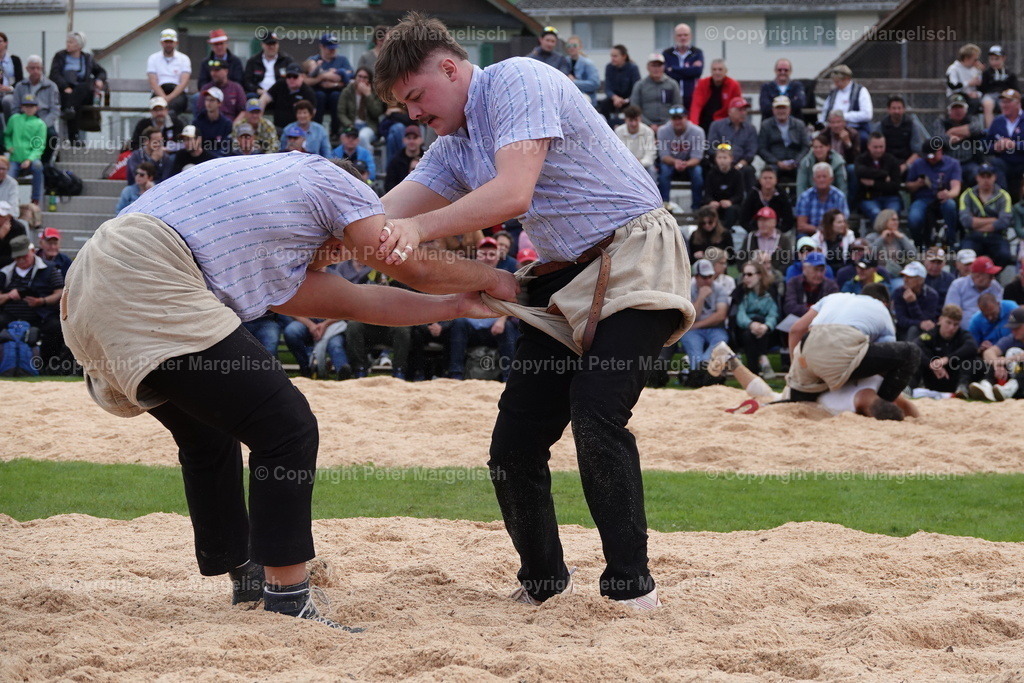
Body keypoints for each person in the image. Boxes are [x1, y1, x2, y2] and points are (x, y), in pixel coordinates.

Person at [66, 153, 505, 628]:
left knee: (208, 435)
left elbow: (359, 301)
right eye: (345, 246)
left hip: (89, 284)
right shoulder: (337, 181)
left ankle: (247, 576)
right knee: (287, 428)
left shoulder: (271, 221)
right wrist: (494, 280)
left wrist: (456, 305)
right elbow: (406, 266)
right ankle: (288, 596)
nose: (341, 256)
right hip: (148, 269)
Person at [373, 12, 695, 609]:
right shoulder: (451, 147)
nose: (414, 115)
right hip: (560, 276)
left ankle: (631, 590)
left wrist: (414, 228)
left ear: (450, 66)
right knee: (514, 444)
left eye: (417, 96)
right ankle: (543, 584)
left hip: (635, 253)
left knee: (597, 412)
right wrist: (312, 237)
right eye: (405, 107)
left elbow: (512, 192)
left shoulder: (516, 78)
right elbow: (377, 217)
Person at [786, 287, 921, 415]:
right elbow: (889, 361)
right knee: (911, 352)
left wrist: (795, 371)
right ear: (885, 303)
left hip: (808, 349)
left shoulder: (832, 298)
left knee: (798, 401)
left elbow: (796, 330)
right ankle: (885, 401)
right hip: (844, 349)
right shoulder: (881, 309)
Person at [709, 342, 918, 419]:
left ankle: (729, 357)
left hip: (817, 356)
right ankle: (730, 359)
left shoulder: (878, 381)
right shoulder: (844, 408)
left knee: (777, 395)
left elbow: (907, 405)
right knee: (771, 397)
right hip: (807, 387)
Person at [0, 234, 65, 373]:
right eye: (18, 258)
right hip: (10, 315)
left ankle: (48, 366)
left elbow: (60, 292)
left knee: (55, 327)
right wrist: (8, 296)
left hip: (40, 315)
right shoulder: (5, 272)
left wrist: (42, 301)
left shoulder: (48, 268)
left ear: (31, 251)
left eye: (24, 256)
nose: (22, 260)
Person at [49, 32, 106, 144]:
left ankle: (70, 116)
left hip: (82, 92)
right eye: (67, 42)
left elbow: (101, 72)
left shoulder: (87, 58)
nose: (68, 44)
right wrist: (65, 86)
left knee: (82, 89)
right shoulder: (60, 56)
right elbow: (54, 74)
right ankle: (74, 138)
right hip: (66, 91)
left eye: (71, 42)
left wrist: (99, 80)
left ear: (79, 46)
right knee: (74, 104)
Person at [679, 258, 728, 386]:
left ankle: (700, 374)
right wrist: (701, 297)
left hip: (713, 328)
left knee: (719, 343)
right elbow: (690, 315)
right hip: (692, 331)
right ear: (696, 277)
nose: (708, 280)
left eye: (710, 276)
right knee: (694, 351)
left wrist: (696, 325)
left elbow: (721, 315)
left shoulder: (719, 288)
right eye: (704, 277)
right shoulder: (686, 288)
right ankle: (703, 377)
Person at [912, 303, 976, 397]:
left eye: (956, 324)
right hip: (934, 376)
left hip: (954, 377)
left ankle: (963, 387)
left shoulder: (962, 335)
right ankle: (908, 387)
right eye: (948, 322)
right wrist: (931, 364)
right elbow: (915, 346)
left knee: (969, 357)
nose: (951, 328)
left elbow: (972, 346)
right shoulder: (931, 335)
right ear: (940, 319)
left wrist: (947, 359)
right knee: (916, 356)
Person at [958, 163, 1013, 266]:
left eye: (989, 176)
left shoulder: (1004, 196)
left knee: (1004, 255)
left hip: (997, 236)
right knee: (964, 256)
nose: (986, 180)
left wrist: (976, 223)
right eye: (982, 176)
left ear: (995, 177)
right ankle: (971, 279)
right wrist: (993, 219)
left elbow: (1004, 221)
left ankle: (991, 278)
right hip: (973, 236)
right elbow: (966, 221)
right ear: (977, 178)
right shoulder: (967, 195)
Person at [969, 305, 1024, 400]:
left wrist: (1005, 361)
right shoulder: (1012, 338)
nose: (1013, 331)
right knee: (996, 359)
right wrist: (997, 364)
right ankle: (987, 385)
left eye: (1017, 327)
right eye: (1012, 327)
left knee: (1012, 352)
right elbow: (988, 352)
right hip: (1014, 376)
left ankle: (1009, 388)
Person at [10, 56, 58, 164]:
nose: (35, 71)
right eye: (32, 68)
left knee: (52, 136)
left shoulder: (51, 86)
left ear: (42, 68)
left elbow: (55, 110)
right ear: (27, 69)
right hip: (24, 118)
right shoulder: (20, 86)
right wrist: (20, 122)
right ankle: (20, 161)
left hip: (44, 119)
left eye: (38, 68)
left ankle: (44, 163)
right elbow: (15, 108)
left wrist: (42, 125)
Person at [734, 259, 778, 377]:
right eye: (744, 274)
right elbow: (740, 314)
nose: (745, 278)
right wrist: (751, 324)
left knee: (761, 321)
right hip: (743, 330)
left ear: (759, 275)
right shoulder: (741, 292)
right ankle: (763, 358)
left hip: (768, 333)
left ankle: (753, 373)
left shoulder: (770, 291)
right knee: (750, 333)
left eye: (749, 274)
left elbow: (773, 314)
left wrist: (766, 326)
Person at [656, 105, 704, 212]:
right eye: (674, 118)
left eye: (680, 118)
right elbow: (663, 156)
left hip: (690, 164)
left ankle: (696, 207)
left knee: (698, 173)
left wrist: (686, 164)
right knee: (664, 172)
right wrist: (675, 162)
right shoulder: (662, 131)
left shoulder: (697, 131)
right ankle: (664, 206)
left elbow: (697, 157)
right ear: (671, 119)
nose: (677, 121)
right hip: (670, 163)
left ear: (686, 118)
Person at [304, 33, 353, 137]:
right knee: (319, 96)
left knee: (335, 96)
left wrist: (334, 83)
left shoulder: (342, 60)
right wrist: (324, 76)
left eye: (334, 48)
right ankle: (317, 131)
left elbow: (349, 75)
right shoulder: (313, 60)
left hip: (336, 92)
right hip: (318, 94)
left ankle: (335, 131)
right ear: (321, 46)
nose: (333, 50)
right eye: (329, 48)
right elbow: (305, 79)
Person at [707, 98, 757, 189]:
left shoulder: (751, 129)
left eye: (744, 110)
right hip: (721, 163)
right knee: (709, 170)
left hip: (741, 165)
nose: (743, 113)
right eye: (740, 110)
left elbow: (751, 151)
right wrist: (724, 161)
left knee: (749, 171)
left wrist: (740, 165)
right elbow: (712, 147)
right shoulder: (716, 126)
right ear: (730, 111)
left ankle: (750, 201)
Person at [4, 94, 45, 205]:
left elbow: (39, 146)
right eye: (26, 106)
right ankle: (11, 200)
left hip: (31, 158)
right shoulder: (14, 119)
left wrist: (29, 159)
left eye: (32, 106)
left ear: (36, 108)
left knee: (38, 166)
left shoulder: (40, 124)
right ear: (22, 107)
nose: (29, 108)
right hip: (15, 158)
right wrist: (8, 146)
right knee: (8, 176)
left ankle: (35, 199)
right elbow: (7, 135)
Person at [757, 95, 808, 184]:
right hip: (774, 163)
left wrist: (797, 161)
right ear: (773, 110)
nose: (781, 111)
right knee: (768, 175)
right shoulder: (766, 125)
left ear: (789, 109)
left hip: (796, 162)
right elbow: (761, 149)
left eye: (784, 108)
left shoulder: (799, 124)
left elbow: (806, 146)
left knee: (805, 171)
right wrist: (777, 162)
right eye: (778, 108)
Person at [854, 132, 903, 224]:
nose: (879, 150)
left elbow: (895, 185)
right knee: (876, 214)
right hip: (869, 198)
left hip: (891, 197)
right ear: (868, 146)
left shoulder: (892, 160)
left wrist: (874, 183)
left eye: (881, 147)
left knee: (891, 216)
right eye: (875, 147)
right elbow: (860, 172)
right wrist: (883, 175)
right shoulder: (861, 159)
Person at [819, 64, 873, 144]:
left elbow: (867, 114)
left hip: (855, 127)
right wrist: (822, 123)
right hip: (833, 128)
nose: (836, 84)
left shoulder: (861, 91)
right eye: (834, 81)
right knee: (819, 139)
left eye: (838, 81)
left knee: (863, 139)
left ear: (847, 79)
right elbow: (825, 111)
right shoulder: (834, 92)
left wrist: (842, 117)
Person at [873, 95, 928, 173]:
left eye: (899, 108)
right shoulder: (880, 126)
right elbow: (876, 150)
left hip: (907, 163)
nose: (896, 111)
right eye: (894, 108)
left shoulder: (912, 126)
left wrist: (905, 166)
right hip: (886, 163)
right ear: (888, 110)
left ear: (904, 109)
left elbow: (917, 152)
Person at [987, 88, 1024, 202]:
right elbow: (986, 146)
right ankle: (1003, 203)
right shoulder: (998, 121)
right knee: (995, 164)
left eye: (1008, 102)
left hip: (1022, 161)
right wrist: (996, 147)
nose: (1004, 105)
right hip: (1004, 162)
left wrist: (1014, 145)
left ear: (1018, 103)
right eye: (1003, 102)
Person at [336, 67, 385, 150]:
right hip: (351, 125)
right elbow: (341, 112)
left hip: (368, 126)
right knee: (346, 138)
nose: (362, 79)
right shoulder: (347, 91)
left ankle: (366, 161)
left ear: (369, 80)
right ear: (355, 77)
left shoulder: (374, 92)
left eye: (365, 77)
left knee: (362, 137)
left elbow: (377, 112)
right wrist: (349, 124)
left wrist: (368, 95)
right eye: (359, 76)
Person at [795, 162, 848, 237]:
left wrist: (828, 232)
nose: (821, 180)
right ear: (814, 179)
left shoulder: (839, 196)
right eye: (818, 177)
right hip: (811, 235)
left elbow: (843, 223)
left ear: (831, 179)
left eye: (824, 176)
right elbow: (801, 226)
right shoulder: (805, 197)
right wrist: (820, 230)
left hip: (834, 234)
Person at [629, 54, 680, 131]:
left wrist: (666, 124)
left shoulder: (672, 84)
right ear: (648, 67)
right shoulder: (640, 85)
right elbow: (635, 108)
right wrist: (649, 124)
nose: (656, 69)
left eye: (659, 65)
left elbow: (677, 106)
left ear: (664, 67)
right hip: (644, 127)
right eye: (653, 65)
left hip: (669, 127)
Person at [688, 59, 741, 133]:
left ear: (726, 71)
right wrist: (694, 126)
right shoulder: (702, 83)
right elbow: (696, 105)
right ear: (711, 71)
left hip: (724, 123)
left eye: (720, 69)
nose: (717, 72)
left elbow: (737, 107)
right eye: (714, 70)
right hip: (704, 121)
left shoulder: (733, 85)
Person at [945, 255, 1004, 321]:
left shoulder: (995, 285)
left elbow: (1000, 310)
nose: (992, 278)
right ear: (978, 277)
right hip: (964, 330)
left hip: (991, 327)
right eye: (990, 275)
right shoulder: (958, 285)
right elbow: (950, 314)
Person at [738, 166, 794, 235]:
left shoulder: (782, 195)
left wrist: (778, 232)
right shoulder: (753, 194)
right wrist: (754, 231)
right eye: (765, 178)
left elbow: (789, 219)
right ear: (759, 180)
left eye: (770, 178)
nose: (768, 180)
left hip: (777, 232)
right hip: (756, 231)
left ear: (776, 180)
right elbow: (743, 218)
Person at [892, 261, 940, 340]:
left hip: (924, 333)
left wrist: (912, 304)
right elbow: (901, 320)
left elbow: (927, 321)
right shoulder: (898, 292)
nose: (905, 280)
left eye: (910, 277)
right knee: (913, 329)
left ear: (921, 280)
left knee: (915, 330)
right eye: (904, 276)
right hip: (902, 332)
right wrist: (919, 323)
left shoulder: (931, 295)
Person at [146, 29, 190, 116]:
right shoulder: (153, 58)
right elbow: (153, 82)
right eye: (166, 42)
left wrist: (169, 98)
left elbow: (183, 82)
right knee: (157, 107)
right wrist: (163, 97)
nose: (168, 44)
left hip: (177, 93)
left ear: (176, 43)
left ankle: (170, 128)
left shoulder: (184, 59)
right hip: (159, 91)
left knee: (172, 110)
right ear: (161, 43)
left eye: (171, 42)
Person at [783, 251, 838, 318]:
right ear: (805, 269)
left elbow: (832, 309)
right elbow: (790, 307)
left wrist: (809, 309)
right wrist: (815, 310)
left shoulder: (831, 286)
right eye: (815, 270)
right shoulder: (794, 283)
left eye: (821, 270)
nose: (819, 274)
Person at [662, 23, 703, 111]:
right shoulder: (667, 53)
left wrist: (674, 68)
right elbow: (666, 74)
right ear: (675, 37)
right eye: (679, 35)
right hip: (672, 96)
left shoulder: (697, 53)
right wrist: (688, 71)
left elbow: (697, 72)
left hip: (691, 96)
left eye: (685, 35)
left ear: (690, 36)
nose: (683, 38)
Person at [702, 144, 743, 231]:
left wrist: (730, 201)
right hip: (716, 204)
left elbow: (739, 195)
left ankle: (725, 232)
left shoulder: (737, 174)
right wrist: (711, 201)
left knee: (732, 210)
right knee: (707, 209)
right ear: (716, 159)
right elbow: (707, 193)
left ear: (731, 158)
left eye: (725, 158)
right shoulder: (711, 174)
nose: (722, 160)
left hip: (731, 205)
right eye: (719, 158)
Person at [263, 64, 316, 131]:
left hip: (298, 131)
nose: (291, 79)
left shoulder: (308, 92)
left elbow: (312, 114)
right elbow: (263, 99)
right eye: (288, 76)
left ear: (302, 77)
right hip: (278, 129)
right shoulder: (279, 85)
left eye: (295, 76)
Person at [243, 33, 294, 99]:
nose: (272, 47)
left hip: (280, 93)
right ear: (262, 45)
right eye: (269, 44)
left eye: (274, 44)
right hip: (258, 93)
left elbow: (292, 79)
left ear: (278, 45)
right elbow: (247, 81)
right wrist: (258, 90)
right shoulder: (253, 61)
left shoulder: (286, 60)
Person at [599, 45, 640, 125]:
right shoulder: (609, 67)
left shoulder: (633, 68)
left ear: (624, 56)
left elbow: (637, 88)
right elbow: (608, 88)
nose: (612, 58)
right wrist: (615, 98)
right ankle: (605, 126)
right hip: (614, 99)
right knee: (604, 104)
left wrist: (625, 100)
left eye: (615, 56)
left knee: (635, 107)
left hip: (629, 99)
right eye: (611, 56)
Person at [981, 45, 1019, 127]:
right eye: (991, 59)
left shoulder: (1010, 73)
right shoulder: (986, 73)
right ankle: (990, 130)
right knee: (988, 104)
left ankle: (1006, 128)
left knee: (1006, 105)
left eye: (997, 59)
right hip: (990, 95)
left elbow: (1016, 89)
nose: (994, 62)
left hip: (1005, 95)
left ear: (1003, 58)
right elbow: (983, 88)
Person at [614, 106, 656, 177]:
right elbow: (616, 153)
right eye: (631, 120)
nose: (634, 124)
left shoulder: (648, 131)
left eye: (636, 120)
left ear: (640, 119)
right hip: (624, 165)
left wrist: (641, 162)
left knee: (651, 170)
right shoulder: (618, 131)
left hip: (643, 165)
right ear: (625, 120)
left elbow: (650, 154)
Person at [192, 87, 233, 157]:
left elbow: (226, 147)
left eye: (212, 100)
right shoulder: (198, 122)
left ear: (219, 103)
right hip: (201, 158)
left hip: (219, 158)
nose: (208, 103)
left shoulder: (226, 124)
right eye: (207, 100)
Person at [564, 36, 599, 106]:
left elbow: (595, 83)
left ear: (580, 47)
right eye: (569, 45)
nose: (571, 48)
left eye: (574, 45)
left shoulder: (588, 63)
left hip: (586, 99)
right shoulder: (564, 61)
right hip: (568, 98)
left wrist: (573, 82)